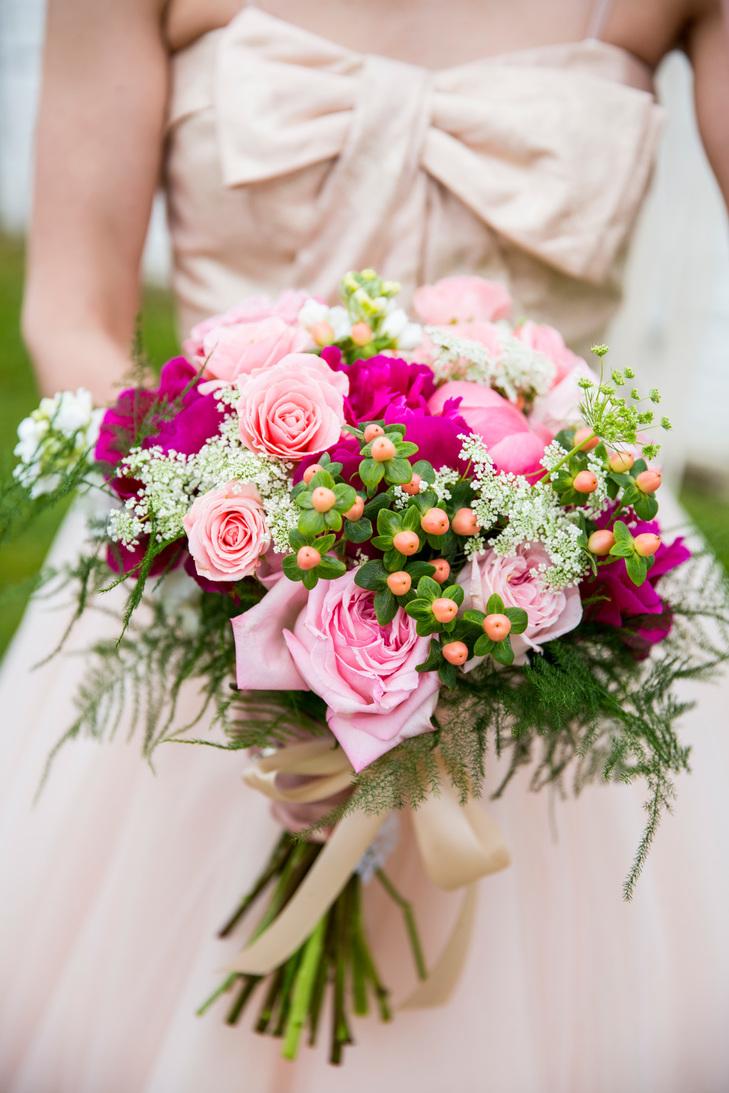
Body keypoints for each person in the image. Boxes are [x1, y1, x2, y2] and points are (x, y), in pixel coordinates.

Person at [2, 1, 728, 1089]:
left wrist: (464, 594)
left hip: (552, 589)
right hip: (203, 569)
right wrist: (247, 558)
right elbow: (74, 313)